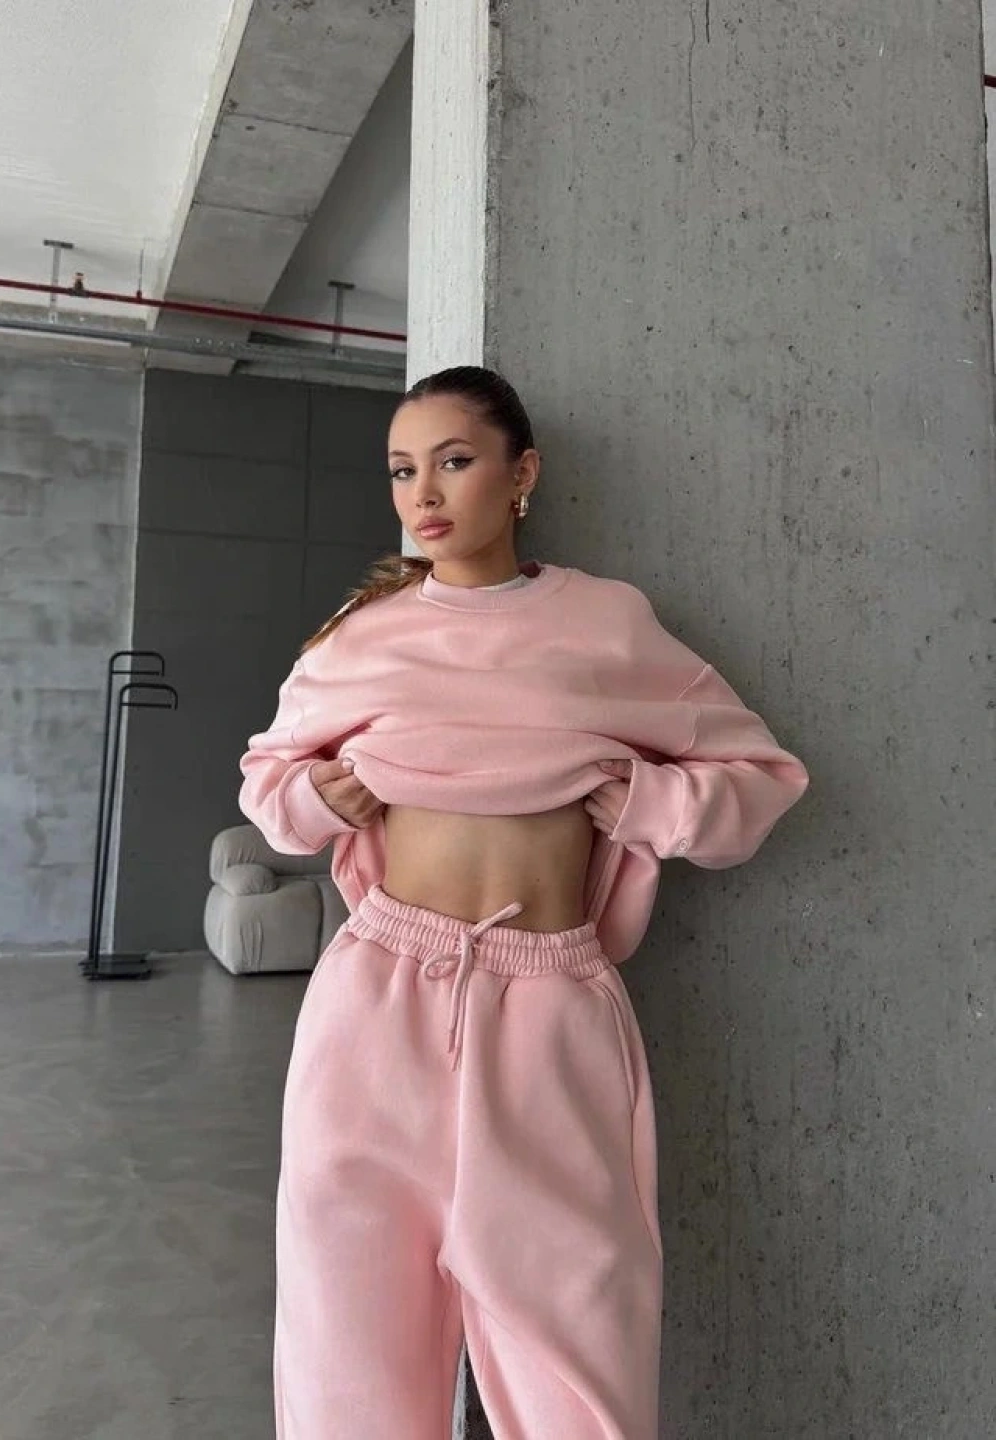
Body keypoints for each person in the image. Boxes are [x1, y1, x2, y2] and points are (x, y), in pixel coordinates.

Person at [239, 366, 808, 1440]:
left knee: (581, 1372)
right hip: (376, 1004)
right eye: (402, 470)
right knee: (347, 1355)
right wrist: (316, 796)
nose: (423, 493)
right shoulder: (362, 636)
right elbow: (267, 785)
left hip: (551, 1014)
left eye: (454, 460)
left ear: (522, 474)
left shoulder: (606, 623)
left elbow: (761, 780)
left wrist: (649, 800)